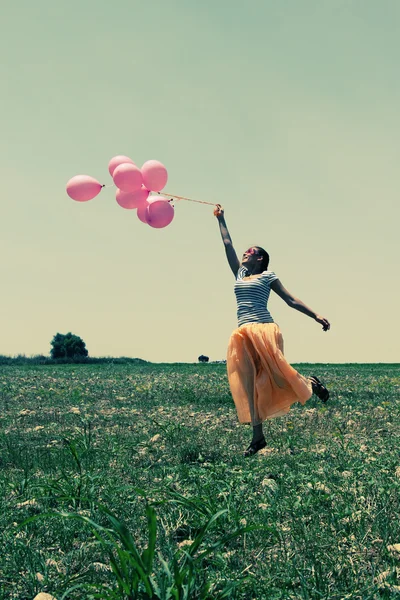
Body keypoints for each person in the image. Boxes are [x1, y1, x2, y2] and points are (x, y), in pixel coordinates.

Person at [214, 204, 330, 457]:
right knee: (250, 385)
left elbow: (290, 299)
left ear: (261, 259)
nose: (246, 253)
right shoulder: (240, 275)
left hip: (264, 329)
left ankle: (310, 384)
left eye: (251, 252)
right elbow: (227, 245)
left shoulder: (268, 276)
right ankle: (258, 439)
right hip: (242, 333)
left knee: (277, 375)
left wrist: (316, 315)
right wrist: (221, 219)